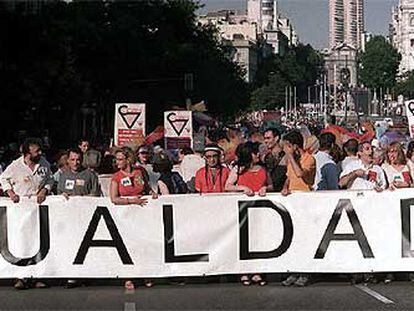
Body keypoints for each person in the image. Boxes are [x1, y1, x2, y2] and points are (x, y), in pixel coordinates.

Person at [0, 138, 54, 290]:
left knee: (38, 240)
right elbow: (3, 178)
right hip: (21, 208)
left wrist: (45, 190)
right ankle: (20, 277)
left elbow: (50, 179)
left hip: (37, 207)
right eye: (36, 151)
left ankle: (36, 276)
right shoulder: (16, 165)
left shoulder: (44, 163)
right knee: (22, 241)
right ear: (27, 153)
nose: (40, 153)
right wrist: (10, 192)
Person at [225, 142, 272, 286]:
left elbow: (271, 185)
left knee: (259, 240)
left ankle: (258, 271)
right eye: (254, 152)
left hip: (261, 210)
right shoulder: (238, 169)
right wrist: (242, 188)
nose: (258, 155)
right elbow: (227, 186)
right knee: (244, 239)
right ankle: (244, 270)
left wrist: (265, 188)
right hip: (243, 210)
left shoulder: (263, 168)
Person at [109, 147, 155, 290]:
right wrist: (131, 201)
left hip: (142, 214)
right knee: (128, 246)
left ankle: (145, 273)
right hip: (126, 216)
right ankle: (128, 276)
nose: (117, 162)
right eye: (116, 159)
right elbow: (114, 198)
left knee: (143, 245)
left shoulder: (140, 171)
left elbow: (147, 187)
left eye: (120, 159)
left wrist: (153, 194)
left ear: (128, 159)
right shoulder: (116, 177)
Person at [57, 148, 101, 288]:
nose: (75, 163)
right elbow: (59, 194)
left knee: (86, 247)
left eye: (78, 160)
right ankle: (71, 276)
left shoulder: (90, 174)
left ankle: (85, 274)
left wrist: (82, 199)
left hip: (85, 217)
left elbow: (95, 195)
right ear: (67, 160)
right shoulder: (63, 175)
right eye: (72, 160)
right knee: (70, 246)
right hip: (69, 219)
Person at [280, 130, 316, 287]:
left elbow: (300, 174)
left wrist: (290, 156)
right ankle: (293, 270)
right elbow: (290, 178)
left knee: (304, 238)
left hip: (305, 203)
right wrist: (285, 187)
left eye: (288, 146)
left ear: (295, 146)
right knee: (292, 238)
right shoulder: (291, 160)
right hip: (292, 203)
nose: (285, 150)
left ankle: (305, 272)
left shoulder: (309, 159)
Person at [262, 128, 287, 192]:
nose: (265, 141)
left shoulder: (286, 156)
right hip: (267, 193)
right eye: (265, 138)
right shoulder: (265, 157)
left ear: (276, 138)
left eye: (268, 138)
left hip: (282, 194)